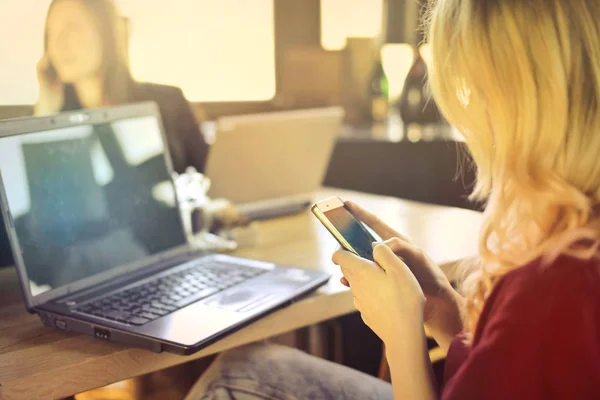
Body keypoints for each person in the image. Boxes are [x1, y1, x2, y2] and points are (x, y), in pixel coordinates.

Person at [185, 0, 600, 398]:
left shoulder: (555, 288)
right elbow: (505, 373)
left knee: (234, 382)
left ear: (528, 103)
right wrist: (443, 311)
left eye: (477, 90)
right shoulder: (573, 249)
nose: (472, 118)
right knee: (246, 368)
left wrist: (401, 336)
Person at [36, 0, 209, 174]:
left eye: (71, 28)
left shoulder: (169, 101)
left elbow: (214, 176)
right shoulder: (57, 118)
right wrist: (45, 107)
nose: (58, 44)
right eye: (51, 33)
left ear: (106, 32)